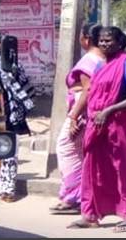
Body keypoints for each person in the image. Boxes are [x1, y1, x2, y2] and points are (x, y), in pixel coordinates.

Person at [69, 27, 126, 232]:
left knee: (125, 170)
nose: (104, 44)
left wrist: (109, 110)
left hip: (121, 126)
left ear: (120, 43)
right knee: (95, 169)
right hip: (98, 125)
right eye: (101, 41)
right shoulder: (101, 65)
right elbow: (93, 94)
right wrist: (78, 117)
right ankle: (91, 214)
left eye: (109, 41)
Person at [51, 24, 105, 214]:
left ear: (86, 39)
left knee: (66, 148)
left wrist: (74, 115)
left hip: (82, 112)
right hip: (94, 112)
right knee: (81, 153)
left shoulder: (89, 60)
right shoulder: (103, 59)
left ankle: (73, 196)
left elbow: (88, 90)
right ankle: (84, 194)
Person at [0, 33, 35, 204]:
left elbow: (18, 81)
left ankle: (7, 190)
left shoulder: (7, 62)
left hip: (10, 112)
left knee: (9, 153)